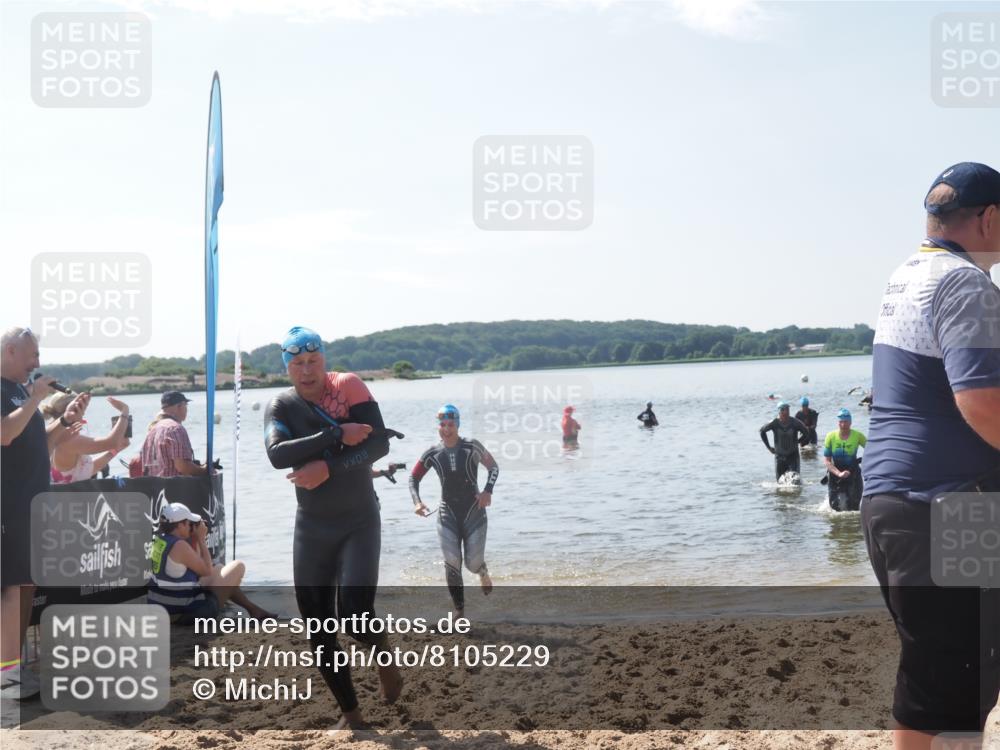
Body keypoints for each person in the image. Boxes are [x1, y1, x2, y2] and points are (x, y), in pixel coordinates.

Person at [862, 162, 1000, 745]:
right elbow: (982, 402)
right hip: (946, 504)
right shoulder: (965, 282)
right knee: (951, 684)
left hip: (894, 501)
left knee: (947, 678)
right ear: (990, 220)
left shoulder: (910, 275)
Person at [264, 326, 402, 729]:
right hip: (313, 526)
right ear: (287, 367)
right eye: (297, 364)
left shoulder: (349, 386)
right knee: (319, 628)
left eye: (313, 361)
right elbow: (276, 454)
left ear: (324, 359)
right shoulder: (282, 405)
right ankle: (353, 716)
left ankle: (382, 651)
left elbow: (379, 446)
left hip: (358, 518)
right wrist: (335, 434)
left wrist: (329, 465)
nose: (307, 371)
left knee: (356, 615)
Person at [1, 327, 86, 699]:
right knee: (11, 590)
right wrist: (36, 399)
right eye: (32, 355)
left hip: (31, 505)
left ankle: (12, 668)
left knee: (24, 585)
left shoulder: (21, 393)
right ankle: (7, 676)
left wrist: (64, 423)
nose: (37, 362)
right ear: (9, 351)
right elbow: (4, 434)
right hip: (9, 506)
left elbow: (38, 443)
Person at [409, 404, 499, 619]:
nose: (446, 429)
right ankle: (459, 611)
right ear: (438, 426)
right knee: (452, 562)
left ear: (457, 425)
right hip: (446, 513)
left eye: (450, 424)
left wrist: (487, 491)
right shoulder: (432, 452)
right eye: (442, 424)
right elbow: (414, 478)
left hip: (474, 512)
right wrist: (417, 502)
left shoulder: (471, 446)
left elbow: (493, 467)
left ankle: (483, 572)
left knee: (473, 563)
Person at [148, 502, 273, 623]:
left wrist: (195, 540)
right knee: (238, 566)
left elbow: (197, 572)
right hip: (184, 614)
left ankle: (253, 610)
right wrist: (202, 539)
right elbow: (206, 571)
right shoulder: (179, 545)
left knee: (219, 569)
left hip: (164, 608)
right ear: (180, 525)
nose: (190, 526)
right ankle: (253, 610)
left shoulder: (160, 540)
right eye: (188, 523)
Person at [43, 392, 130, 483]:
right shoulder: (68, 440)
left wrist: (115, 450)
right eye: (84, 409)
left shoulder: (55, 435)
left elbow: (85, 471)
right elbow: (112, 442)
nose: (84, 415)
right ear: (76, 409)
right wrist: (125, 411)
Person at [140, 391, 211, 477]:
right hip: (174, 488)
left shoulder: (152, 430)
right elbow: (182, 467)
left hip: (154, 488)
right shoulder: (175, 428)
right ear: (179, 406)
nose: (186, 409)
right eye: (186, 405)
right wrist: (204, 470)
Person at [822, 408, 866, 511]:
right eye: (840, 422)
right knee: (834, 508)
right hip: (835, 474)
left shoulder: (858, 436)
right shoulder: (830, 437)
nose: (843, 425)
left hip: (853, 472)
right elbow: (827, 461)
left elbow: (872, 449)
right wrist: (839, 473)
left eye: (845, 422)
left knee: (854, 508)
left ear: (850, 422)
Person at [759, 402, 810, 481]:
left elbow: (806, 433)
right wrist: (768, 447)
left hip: (793, 456)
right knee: (779, 483)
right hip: (779, 457)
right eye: (783, 411)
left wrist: (798, 441)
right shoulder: (774, 423)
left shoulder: (795, 423)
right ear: (779, 412)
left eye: (787, 410)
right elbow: (762, 431)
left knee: (795, 481)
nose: (786, 413)